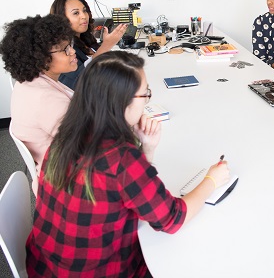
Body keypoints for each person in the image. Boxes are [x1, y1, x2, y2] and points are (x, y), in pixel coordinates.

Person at [26, 51, 230, 276]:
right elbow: (172, 219)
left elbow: (122, 190)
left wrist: (147, 149)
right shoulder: (120, 158)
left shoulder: (67, 135)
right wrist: (212, 179)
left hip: (45, 266)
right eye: (145, 95)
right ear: (122, 102)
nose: (147, 102)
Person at [0, 14, 77, 192]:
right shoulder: (46, 100)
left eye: (70, 45)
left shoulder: (30, 82)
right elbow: (89, 148)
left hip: (54, 169)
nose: (72, 52)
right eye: (64, 49)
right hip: (67, 185)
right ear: (40, 58)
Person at [50, 0, 127, 89]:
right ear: (61, 18)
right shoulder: (62, 50)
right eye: (76, 13)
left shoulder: (86, 39)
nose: (84, 16)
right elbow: (78, 82)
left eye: (84, 11)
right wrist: (106, 46)